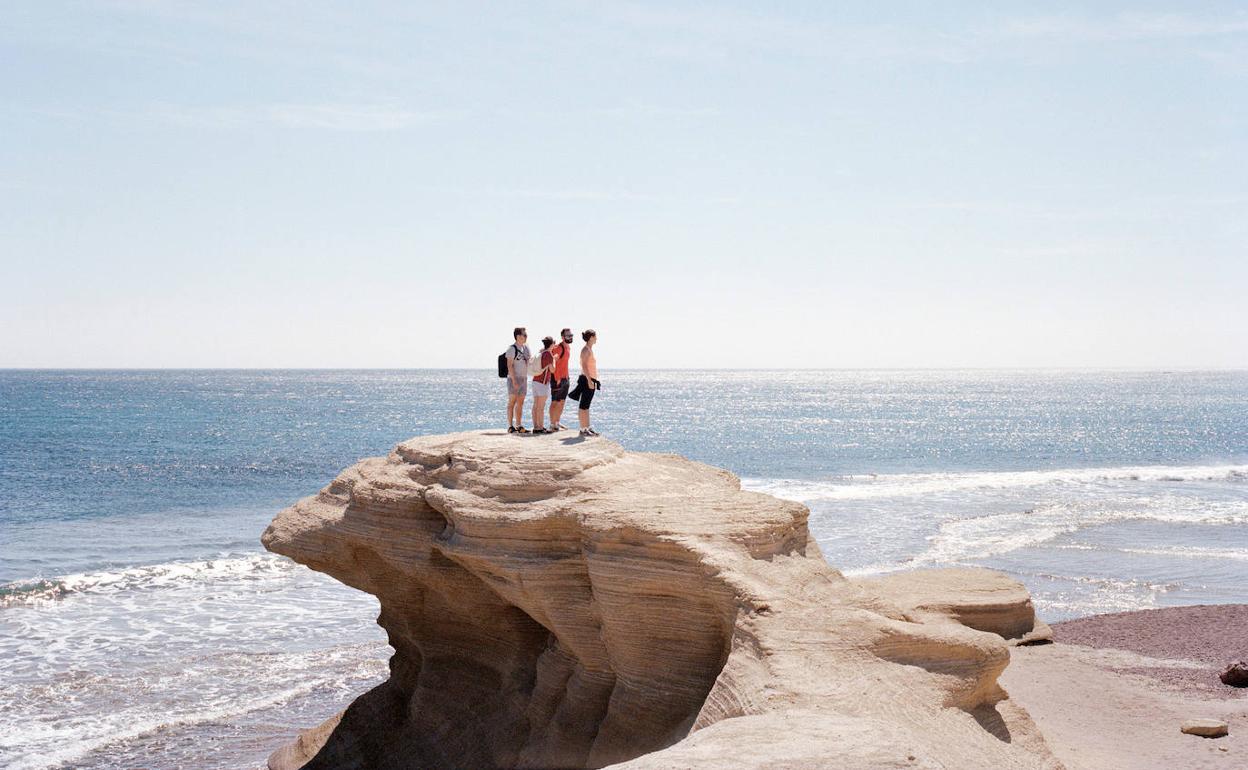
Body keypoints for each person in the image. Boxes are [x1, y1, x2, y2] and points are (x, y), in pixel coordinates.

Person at [567, 329, 600, 437]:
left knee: (587, 405)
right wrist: (589, 380)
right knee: (583, 405)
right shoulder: (585, 350)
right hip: (587, 379)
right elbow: (584, 366)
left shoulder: (589, 349)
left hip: (591, 379)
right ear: (591, 337)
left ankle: (587, 427)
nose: (596, 338)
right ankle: (583, 428)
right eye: (595, 336)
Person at [505, 327, 530, 433]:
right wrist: (514, 380)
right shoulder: (511, 349)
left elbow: (529, 362)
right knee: (512, 402)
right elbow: (509, 365)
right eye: (524, 335)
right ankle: (510, 426)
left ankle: (519, 425)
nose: (526, 337)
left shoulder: (526, 348)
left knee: (520, 402)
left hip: (523, 378)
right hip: (513, 379)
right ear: (518, 336)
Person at [548, 328, 574, 431]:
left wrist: (566, 378)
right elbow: (553, 359)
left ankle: (557, 422)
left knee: (562, 402)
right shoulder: (559, 347)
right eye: (568, 336)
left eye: (571, 335)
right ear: (562, 337)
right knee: (554, 402)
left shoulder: (568, 348)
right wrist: (557, 377)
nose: (570, 337)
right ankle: (552, 424)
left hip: (566, 379)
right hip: (557, 379)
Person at [531, 336, 556, 434]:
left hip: (535, 381)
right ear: (551, 344)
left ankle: (536, 426)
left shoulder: (540, 353)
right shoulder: (549, 355)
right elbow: (552, 370)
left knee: (535, 405)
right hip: (543, 382)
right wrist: (554, 359)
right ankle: (540, 428)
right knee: (540, 407)